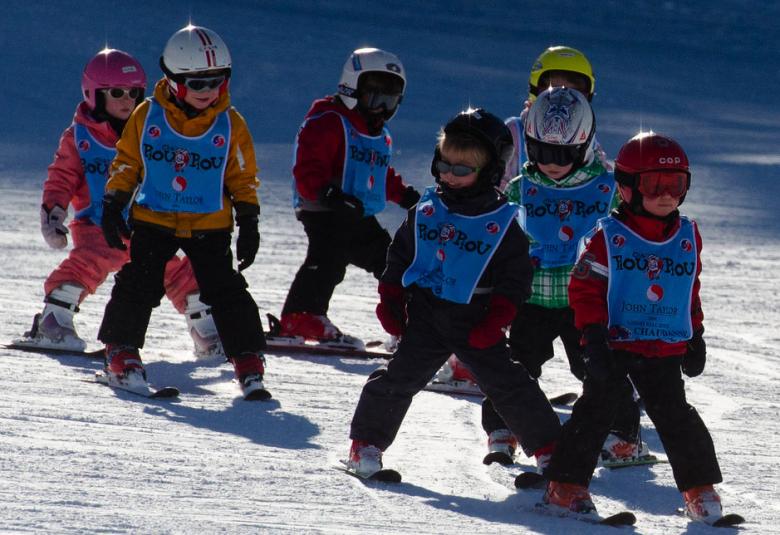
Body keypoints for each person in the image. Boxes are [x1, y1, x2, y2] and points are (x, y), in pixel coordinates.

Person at [346, 108, 560, 477]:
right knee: (398, 379)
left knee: (509, 383)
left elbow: (516, 275)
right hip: (427, 313)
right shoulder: (427, 209)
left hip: (476, 318)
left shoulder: (502, 221)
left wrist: (498, 317)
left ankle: (552, 453)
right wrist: (391, 297)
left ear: (490, 172)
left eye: (462, 170)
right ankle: (365, 445)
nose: (450, 175)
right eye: (444, 165)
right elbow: (399, 256)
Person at [541, 132, 728, 524]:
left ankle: (699, 489)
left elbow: (686, 289)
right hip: (616, 342)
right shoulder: (608, 237)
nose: (666, 196)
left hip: (663, 345)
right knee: (597, 409)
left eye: (675, 186)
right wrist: (592, 336)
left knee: (676, 415)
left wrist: (695, 334)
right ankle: (565, 486)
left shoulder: (686, 236)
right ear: (626, 189)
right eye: (654, 186)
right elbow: (585, 289)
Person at [14, 48, 222, 360]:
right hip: (97, 223)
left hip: (148, 223)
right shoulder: (80, 138)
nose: (127, 100)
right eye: (117, 93)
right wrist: (54, 211)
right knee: (93, 259)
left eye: (134, 92)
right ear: (93, 95)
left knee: (179, 265)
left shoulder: (151, 131)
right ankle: (53, 320)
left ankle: (206, 330)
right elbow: (61, 176)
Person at [96, 25, 268, 399]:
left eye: (216, 82)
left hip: (210, 223)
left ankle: (248, 359)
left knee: (226, 290)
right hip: (154, 218)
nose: (208, 92)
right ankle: (121, 351)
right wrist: (114, 203)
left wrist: (249, 219)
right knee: (139, 282)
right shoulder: (148, 117)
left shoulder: (230, 124)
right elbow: (127, 162)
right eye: (197, 83)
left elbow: (243, 175)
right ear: (173, 81)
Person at [480, 87, 644, 468]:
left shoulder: (606, 189)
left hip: (584, 304)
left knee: (599, 368)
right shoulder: (520, 187)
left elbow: (630, 238)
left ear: (585, 145)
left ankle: (623, 434)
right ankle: (503, 428)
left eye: (563, 154)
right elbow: (499, 236)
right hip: (531, 299)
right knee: (513, 366)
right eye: (540, 152)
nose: (551, 163)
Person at [276, 47, 420, 348]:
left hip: (357, 213)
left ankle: (407, 324)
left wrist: (405, 196)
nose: (380, 108)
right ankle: (301, 316)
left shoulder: (376, 132)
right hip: (323, 209)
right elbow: (307, 168)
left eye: (389, 100)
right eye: (374, 97)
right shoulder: (328, 121)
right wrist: (328, 194)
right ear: (352, 87)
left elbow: (378, 172)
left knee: (392, 262)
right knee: (329, 258)